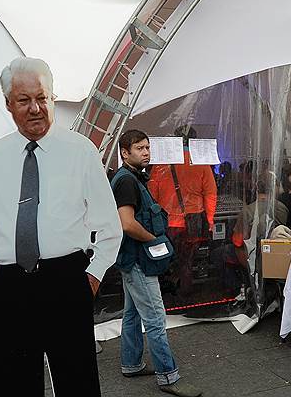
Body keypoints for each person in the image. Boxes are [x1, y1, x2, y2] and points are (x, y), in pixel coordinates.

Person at [0, 57, 122, 397]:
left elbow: (109, 226)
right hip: (7, 288)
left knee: (78, 386)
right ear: (8, 104)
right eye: (24, 100)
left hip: (66, 282)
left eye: (42, 98)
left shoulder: (81, 152)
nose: (35, 108)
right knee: (11, 388)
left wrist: (92, 276)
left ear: (52, 97)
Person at [110, 129, 202, 397]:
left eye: (147, 147)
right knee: (155, 319)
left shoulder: (131, 178)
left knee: (132, 314)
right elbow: (127, 223)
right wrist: (153, 241)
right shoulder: (127, 182)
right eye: (139, 148)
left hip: (132, 260)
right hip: (139, 260)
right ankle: (168, 377)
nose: (146, 152)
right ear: (125, 152)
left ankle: (131, 364)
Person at [148, 125, 218, 298]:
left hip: (167, 223)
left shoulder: (161, 164)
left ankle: (164, 295)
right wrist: (209, 219)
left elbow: (152, 194)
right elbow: (210, 194)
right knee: (187, 261)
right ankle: (185, 294)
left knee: (165, 259)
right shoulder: (201, 163)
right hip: (193, 223)